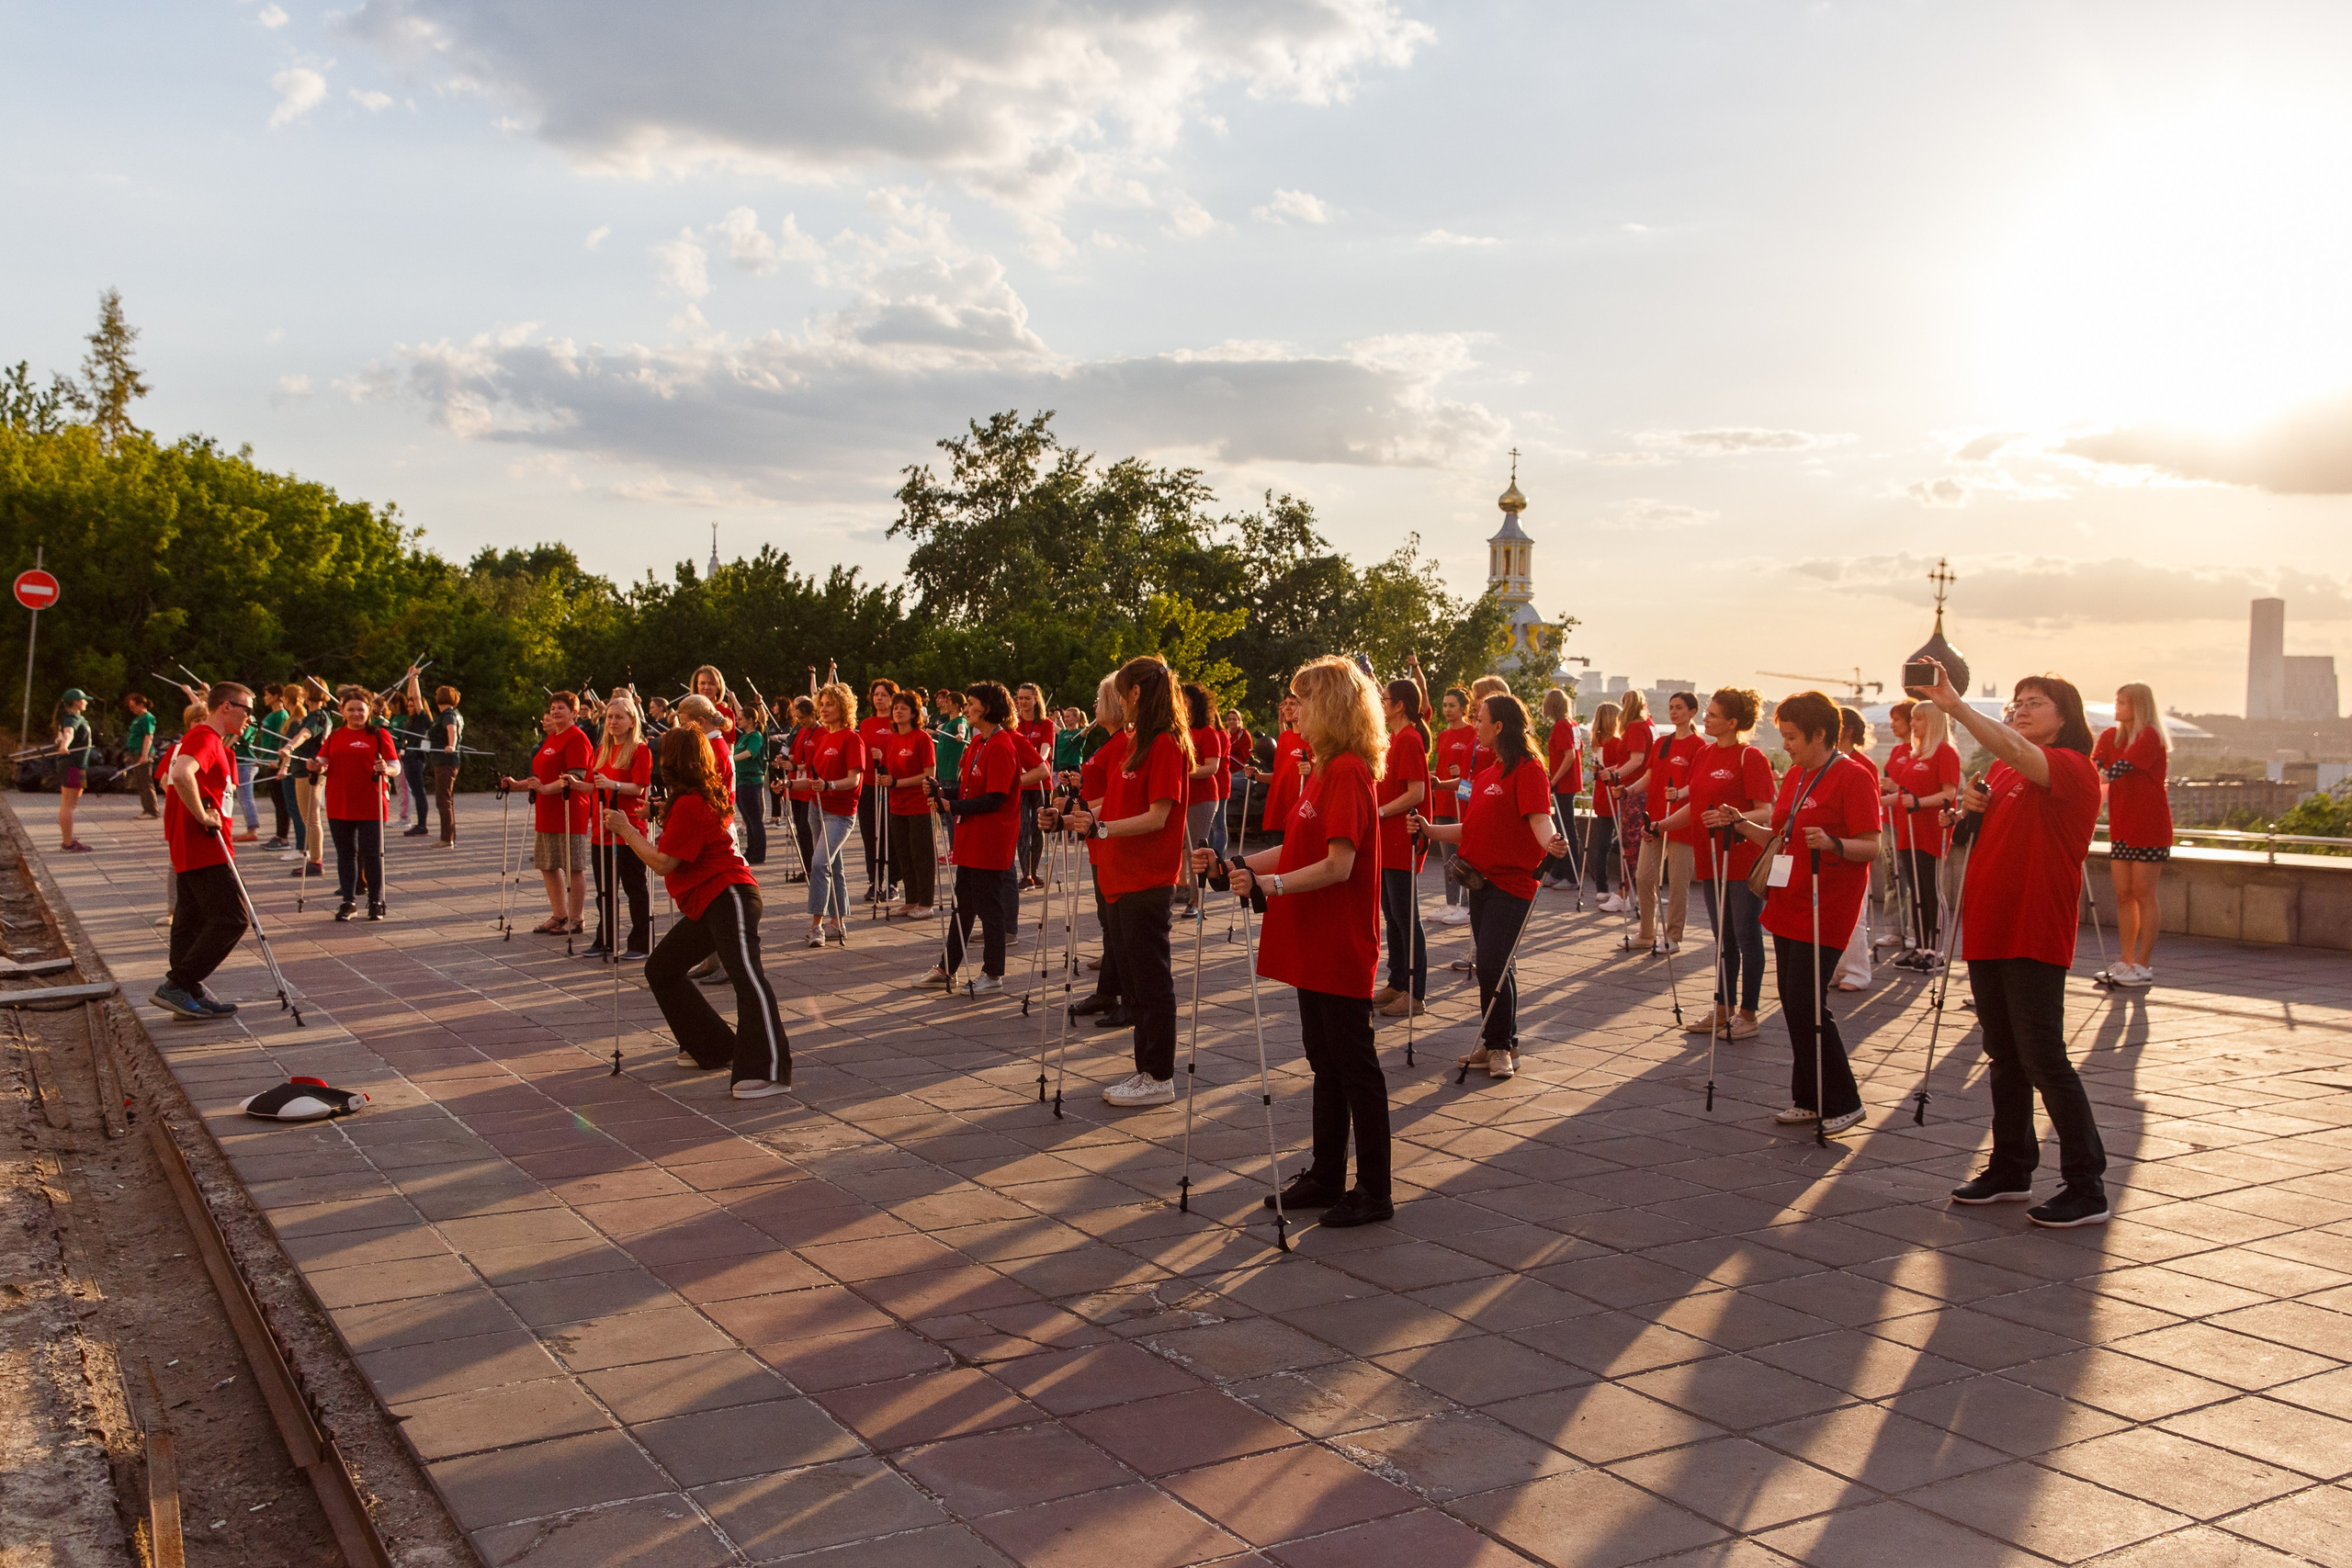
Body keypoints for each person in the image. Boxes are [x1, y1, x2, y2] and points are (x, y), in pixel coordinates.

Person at [1201, 657, 1394, 1226]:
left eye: (1304, 701)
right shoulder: (1323, 769)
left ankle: (1375, 1189)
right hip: (1314, 936)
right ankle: (1327, 1172)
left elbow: (1338, 864)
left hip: (1338, 938)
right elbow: (1295, 849)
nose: (1294, 712)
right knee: (1324, 1060)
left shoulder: (1349, 771)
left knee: (1354, 1064)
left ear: (1332, 707)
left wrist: (1270, 885)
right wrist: (1232, 864)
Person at [1917, 660, 2110, 1227]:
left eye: (2034, 704)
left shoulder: (2071, 767)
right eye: (2017, 703)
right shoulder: (2001, 773)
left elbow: (2020, 754)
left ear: (2064, 718)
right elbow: (1974, 831)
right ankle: (2011, 1166)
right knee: (2003, 1054)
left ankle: (2086, 1185)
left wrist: (1955, 708)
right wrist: (1969, 812)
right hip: (1991, 925)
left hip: (2033, 926)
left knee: (2045, 1057)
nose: (2021, 711)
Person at [1719, 690, 1882, 1135]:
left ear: (1820, 734)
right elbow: (1776, 839)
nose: (1786, 745)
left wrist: (1833, 844)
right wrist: (1738, 822)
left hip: (1824, 905)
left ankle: (1844, 1099)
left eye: (1792, 737)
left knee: (1810, 1002)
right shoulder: (1794, 775)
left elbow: (1873, 844)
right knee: (1793, 1003)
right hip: (1787, 901)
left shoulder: (1853, 776)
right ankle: (1808, 1097)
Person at [604, 728, 791, 1100]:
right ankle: (715, 1046)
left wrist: (627, 829)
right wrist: (656, 811)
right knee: (662, 968)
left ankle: (770, 1070)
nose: (658, 760)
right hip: (709, 901)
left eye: (663, 754)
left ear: (674, 761)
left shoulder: (689, 803)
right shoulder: (688, 798)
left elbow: (663, 862)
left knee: (748, 978)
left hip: (729, 895)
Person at [1409, 694, 1569, 1080]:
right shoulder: (1485, 774)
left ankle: (1499, 1047)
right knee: (1494, 965)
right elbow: (1472, 828)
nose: (1475, 724)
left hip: (1512, 884)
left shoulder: (1530, 770)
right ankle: (1501, 1041)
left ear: (1499, 726)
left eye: (1480, 719)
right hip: (1478, 881)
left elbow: (1539, 818)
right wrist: (1430, 830)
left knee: (1494, 963)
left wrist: (1550, 842)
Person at [1051, 659, 1189, 1106]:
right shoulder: (1136, 742)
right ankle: (1144, 1070)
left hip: (1145, 878)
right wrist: (1075, 816)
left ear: (1135, 695)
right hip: (1119, 876)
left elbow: (1158, 815)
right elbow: (1112, 802)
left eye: (1122, 691)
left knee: (1151, 981)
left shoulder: (1166, 743)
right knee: (1133, 981)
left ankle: (1159, 1075)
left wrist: (1101, 828)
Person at [1656, 687, 1776, 1042]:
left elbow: (1765, 811)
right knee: (1723, 939)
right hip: (1709, 860)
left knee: (1746, 937)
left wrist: (1732, 819)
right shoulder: (1705, 754)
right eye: (1706, 712)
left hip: (1740, 860)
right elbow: (1695, 807)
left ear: (1733, 722)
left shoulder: (1750, 757)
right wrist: (1660, 826)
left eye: (1712, 714)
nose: (1705, 718)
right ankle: (1722, 1008)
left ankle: (1748, 1014)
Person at [153, 682, 257, 1020]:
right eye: (247, 710)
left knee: (190, 919)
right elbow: (181, 774)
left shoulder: (214, 743)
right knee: (233, 919)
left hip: (196, 843)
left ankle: (187, 991)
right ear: (226, 707)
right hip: (205, 843)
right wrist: (202, 816)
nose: (250, 719)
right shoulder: (204, 738)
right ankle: (178, 984)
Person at [912, 680, 1023, 991]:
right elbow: (967, 787)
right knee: (963, 904)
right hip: (972, 838)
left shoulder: (1001, 745)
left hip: (991, 839)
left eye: (972, 703)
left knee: (989, 907)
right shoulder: (978, 742)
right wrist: (941, 790)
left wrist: (952, 803)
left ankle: (993, 973)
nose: (967, 708)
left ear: (986, 708)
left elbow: (995, 798)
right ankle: (947, 968)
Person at [2094, 683, 2172, 988]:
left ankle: (2143, 963)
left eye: (2123, 702)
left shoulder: (2149, 737)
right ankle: (2126, 961)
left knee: (2144, 893)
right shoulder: (2108, 736)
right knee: (2123, 893)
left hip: (2150, 826)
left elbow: (2115, 770)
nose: (2117, 706)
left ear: (2138, 707)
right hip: (2122, 825)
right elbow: (2096, 765)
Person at [500, 692, 594, 934]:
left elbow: (576, 777)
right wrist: (516, 784)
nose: (555, 711)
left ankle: (577, 918)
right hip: (546, 811)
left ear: (574, 712)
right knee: (548, 865)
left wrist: (545, 788)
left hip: (569, 810)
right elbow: (540, 777)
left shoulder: (577, 738)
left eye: (561, 707)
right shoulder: (551, 738)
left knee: (572, 866)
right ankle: (559, 915)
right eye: (553, 707)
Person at [309, 686, 399, 920]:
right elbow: (322, 760)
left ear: (369, 710)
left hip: (371, 802)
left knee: (372, 853)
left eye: (361, 709)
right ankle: (348, 901)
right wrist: (315, 766)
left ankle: (375, 900)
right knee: (345, 854)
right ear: (342, 711)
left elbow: (395, 766)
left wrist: (385, 770)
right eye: (352, 710)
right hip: (340, 802)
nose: (357, 714)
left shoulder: (379, 734)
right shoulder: (336, 736)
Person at [1885, 700, 1962, 968]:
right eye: (1913, 719)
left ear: (1932, 722)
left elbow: (1950, 793)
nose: (1913, 724)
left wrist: (1919, 802)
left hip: (1931, 832)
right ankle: (1920, 947)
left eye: (1918, 719)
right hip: (1909, 832)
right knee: (1916, 893)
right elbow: (1904, 794)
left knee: (1931, 891)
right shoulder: (1917, 754)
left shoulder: (1945, 752)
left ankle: (1936, 951)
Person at [1374, 678, 1430, 1020]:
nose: (1381, 703)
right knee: (1392, 916)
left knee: (1407, 918)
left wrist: (1379, 811)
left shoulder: (1409, 739)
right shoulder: (1393, 739)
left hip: (1401, 837)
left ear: (1399, 706)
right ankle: (1397, 982)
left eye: (1385, 699)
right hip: (1387, 839)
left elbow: (1417, 793)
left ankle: (1415, 992)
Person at [583, 691, 654, 960]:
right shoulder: (601, 750)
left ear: (631, 721)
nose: (613, 722)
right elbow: (594, 785)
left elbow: (639, 787)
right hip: (602, 828)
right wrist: (571, 784)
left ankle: (639, 942)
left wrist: (613, 785)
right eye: (610, 717)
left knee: (634, 887)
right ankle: (606, 939)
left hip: (628, 829)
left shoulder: (640, 750)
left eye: (619, 717)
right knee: (604, 889)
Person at [1635, 692, 1704, 954]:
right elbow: (1650, 778)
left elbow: (1697, 785)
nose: (1674, 712)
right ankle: (1646, 933)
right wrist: (1628, 789)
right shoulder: (1661, 743)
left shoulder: (1699, 746)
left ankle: (1673, 936)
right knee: (1643, 877)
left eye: (1679, 708)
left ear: (1692, 712)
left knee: (1677, 883)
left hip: (1682, 822)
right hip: (1655, 818)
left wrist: (1680, 793)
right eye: (1671, 707)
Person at [799, 681, 864, 946]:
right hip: (817, 809)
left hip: (840, 813)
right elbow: (814, 779)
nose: (823, 709)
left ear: (844, 707)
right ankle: (838, 922)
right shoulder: (823, 738)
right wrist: (788, 784)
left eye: (830, 704)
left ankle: (817, 926)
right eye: (821, 704)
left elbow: (855, 780)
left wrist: (829, 786)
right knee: (832, 865)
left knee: (819, 864)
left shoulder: (852, 738)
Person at [1830, 707, 1883, 991]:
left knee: (1856, 911)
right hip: (1831, 846)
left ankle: (1857, 971)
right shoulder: (1827, 762)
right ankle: (1837, 968)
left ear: (1847, 730)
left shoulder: (1864, 765)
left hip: (1854, 842)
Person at [881, 692, 938, 917]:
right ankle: (911, 899)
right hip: (897, 805)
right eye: (896, 707)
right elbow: (888, 770)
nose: (898, 711)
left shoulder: (921, 738)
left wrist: (898, 782)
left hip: (918, 805)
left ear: (914, 713)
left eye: (904, 708)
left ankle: (926, 903)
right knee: (903, 853)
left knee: (921, 854)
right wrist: (884, 778)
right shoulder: (891, 739)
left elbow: (929, 775)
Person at [1429, 687, 1476, 925]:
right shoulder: (1444, 736)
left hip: (1461, 801)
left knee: (1464, 854)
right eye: (1445, 705)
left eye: (1452, 706)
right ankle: (1451, 903)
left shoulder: (1472, 733)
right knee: (1448, 856)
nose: (1447, 710)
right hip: (1444, 802)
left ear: (1463, 708)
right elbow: (1442, 766)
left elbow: (1472, 771)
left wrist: (1461, 775)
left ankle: (1467, 906)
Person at [1180, 682, 1226, 913]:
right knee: (1181, 850)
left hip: (1203, 798)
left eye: (1185, 702)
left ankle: (1197, 901)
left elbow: (1212, 767)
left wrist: (1183, 771)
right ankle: (1183, 890)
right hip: (1181, 798)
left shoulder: (1208, 733)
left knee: (1195, 851)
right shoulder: (1179, 733)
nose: (1181, 707)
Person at [283, 684, 333, 880]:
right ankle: (315, 859)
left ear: (307, 692)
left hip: (309, 771)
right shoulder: (322, 716)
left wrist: (289, 746)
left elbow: (305, 734)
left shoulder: (316, 717)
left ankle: (316, 861)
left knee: (310, 819)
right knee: (310, 818)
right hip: (308, 770)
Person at [857, 678, 898, 897]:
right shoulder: (866, 723)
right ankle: (874, 880)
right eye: (876, 694)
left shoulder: (896, 723)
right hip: (868, 785)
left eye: (883, 694)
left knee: (890, 835)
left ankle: (892, 882)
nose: (879, 698)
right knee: (870, 835)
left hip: (890, 785)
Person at [1013, 682, 1057, 888]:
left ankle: (1035, 870)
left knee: (1038, 828)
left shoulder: (1046, 724)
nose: (1022, 702)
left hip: (1040, 781)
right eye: (1020, 698)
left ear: (1035, 700)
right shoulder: (1014, 723)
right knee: (1021, 828)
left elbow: (1046, 751)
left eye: (1026, 698)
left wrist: (1036, 763)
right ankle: (1025, 874)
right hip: (1020, 782)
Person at [1540, 688, 1581, 889]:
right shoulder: (1571, 724)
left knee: (1566, 829)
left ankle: (1572, 876)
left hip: (1564, 784)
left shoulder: (1561, 726)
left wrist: (1554, 780)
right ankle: (1558, 871)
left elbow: (1569, 755)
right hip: (1569, 782)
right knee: (1563, 827)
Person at [1586, 702, 1625, 909]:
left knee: (1600, 843)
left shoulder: (1596, 742)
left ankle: (1601, 887)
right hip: (1615, 794)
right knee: (1621, 839)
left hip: (1601, 795)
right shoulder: (1617, 742)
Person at [51, 688, 96, 852]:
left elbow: (63, 734)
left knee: (72, 802)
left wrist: (62, 741)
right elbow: (68, 733)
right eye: (84, 700)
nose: (86, 702)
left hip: (77, 764)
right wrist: (64, 745)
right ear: (77, 702)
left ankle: (68, 838)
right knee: (68, 804)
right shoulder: (72, 718)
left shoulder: (72, 717)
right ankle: (68, 843)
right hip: (72, 764)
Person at [395, 668, 435, 837]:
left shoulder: (423, 719)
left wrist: (415, 678)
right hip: (409, 757)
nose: (410, 707)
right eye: (409, 706)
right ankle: (420, 824)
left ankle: (422, 825)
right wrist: (411, 678)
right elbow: (412, 697)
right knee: (416, 791)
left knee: (419, 792)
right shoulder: (411, 721)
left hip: (416, 759)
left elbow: (417, 698)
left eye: (412, 706)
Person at [784, 695, 820, 876]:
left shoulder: (821, 733)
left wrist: (795, 765)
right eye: (797, 718)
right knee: (800, 828)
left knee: (807, 829)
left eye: (803, 718)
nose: (800, 722)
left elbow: (815, 762)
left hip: (809, 786)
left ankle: (814, 868)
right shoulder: (801, 732)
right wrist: (786, 760)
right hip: (796, 786)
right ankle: (807, 868)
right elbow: (794, 753)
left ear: (813, 714)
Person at [928, 688, 967, 853]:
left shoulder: (960, 721)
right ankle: (953, 847)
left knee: (951, 813)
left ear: (957, 705)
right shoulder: (946, 723)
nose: (945, 704)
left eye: (949, 702)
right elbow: (932, 730)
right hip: (943, 771)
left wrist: (960, 735)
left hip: (952, 771)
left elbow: (962, 731)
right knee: (945, 814)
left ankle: (955, 848)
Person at [425, 683, 465, 847]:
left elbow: (452, 730)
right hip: (445, 761)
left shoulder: (448, 714)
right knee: (446, 799)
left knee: (443, 799)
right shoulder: (454, 713)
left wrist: (451, 745)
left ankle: (446, 838)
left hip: (445, 761)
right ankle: (449, 836)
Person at [731, 707, 768, 865]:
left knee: (754, 818)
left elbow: (750, 752)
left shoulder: (755, 736)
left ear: (751, 720)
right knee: (747, 817)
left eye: (741, 718)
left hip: (751, 781)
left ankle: (758, 853)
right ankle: (751, 849)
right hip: (741, 781)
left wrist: (731, 759)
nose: (738, 721)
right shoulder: (744, 736)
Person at [124, 692, 160, 818]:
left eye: (134, 706)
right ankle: (146, 809)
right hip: (135, 752)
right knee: (140, 782)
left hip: (142, 752)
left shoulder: (147, 718)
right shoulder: (138, 719)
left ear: (141, 705)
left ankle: (152, 811)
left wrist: (144, 755)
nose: (132, 709)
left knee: (146, 782)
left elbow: (148, 736)